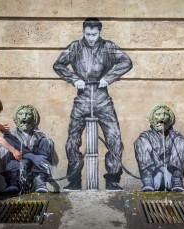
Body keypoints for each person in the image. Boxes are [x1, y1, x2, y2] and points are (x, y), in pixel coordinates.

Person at [53, 18, 133, 191]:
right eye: (88, 34)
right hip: (82, 98)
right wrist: (74, 79)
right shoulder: (75, 47)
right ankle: (74, 180)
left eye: (94, 34)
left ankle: (112, 180)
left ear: (100, 32)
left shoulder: (108, 47)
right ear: (83, 32)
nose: (91, 38)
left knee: (114, 138)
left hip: (101, 97)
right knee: (72, 141)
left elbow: (126, 61)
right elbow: (58, 65)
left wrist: (109, 78)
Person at [0, 104, 54, 193]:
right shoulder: (11, 136)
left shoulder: (39, 136)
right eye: (21, 114)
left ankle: (39, 180)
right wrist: (31, 156)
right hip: (16, 165)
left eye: (27, 114)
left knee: (48, 141)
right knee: (4, 143)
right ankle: (12, 181)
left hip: (35, 167)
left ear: (33, 118)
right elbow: (12, 146)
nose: (24, 117)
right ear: (16, 118)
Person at [134, 104, 184, 192]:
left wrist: (169, 171)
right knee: (140, 142)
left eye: (165, 114)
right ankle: (147, 180)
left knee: (181, 141)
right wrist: (161, 169)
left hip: (171, 173)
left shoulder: (175, 135)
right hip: (154, 173)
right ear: (152, 118)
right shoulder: (147, 135)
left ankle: (177, 179)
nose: (162, 117)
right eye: (158, 114)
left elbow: (180, 147)